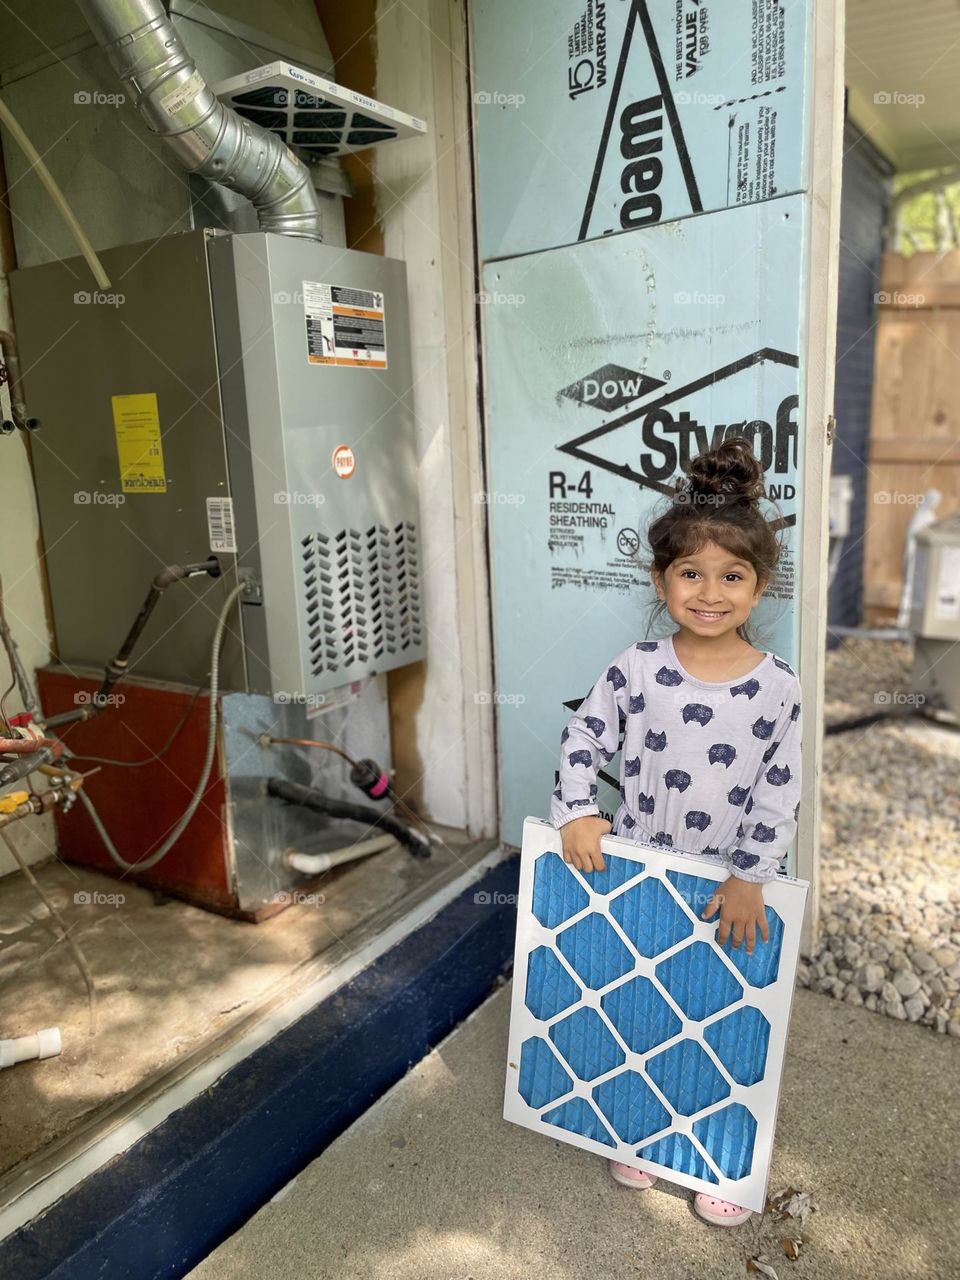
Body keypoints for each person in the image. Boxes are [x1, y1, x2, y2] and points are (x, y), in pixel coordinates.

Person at [549, 436, 803, 1228]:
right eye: (691, 573)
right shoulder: (636, 666)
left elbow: (778, 790)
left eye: (733, 576)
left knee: (720, 1009)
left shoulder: (778, 690)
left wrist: (751, 876)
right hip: (638, 871)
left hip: (725, 885)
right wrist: (578, 811)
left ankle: (716, 1153)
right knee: (641, 1001)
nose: (710, 592)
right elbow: (583, 738)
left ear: (761, 586)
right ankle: (640, 1125)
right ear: (662, 581)